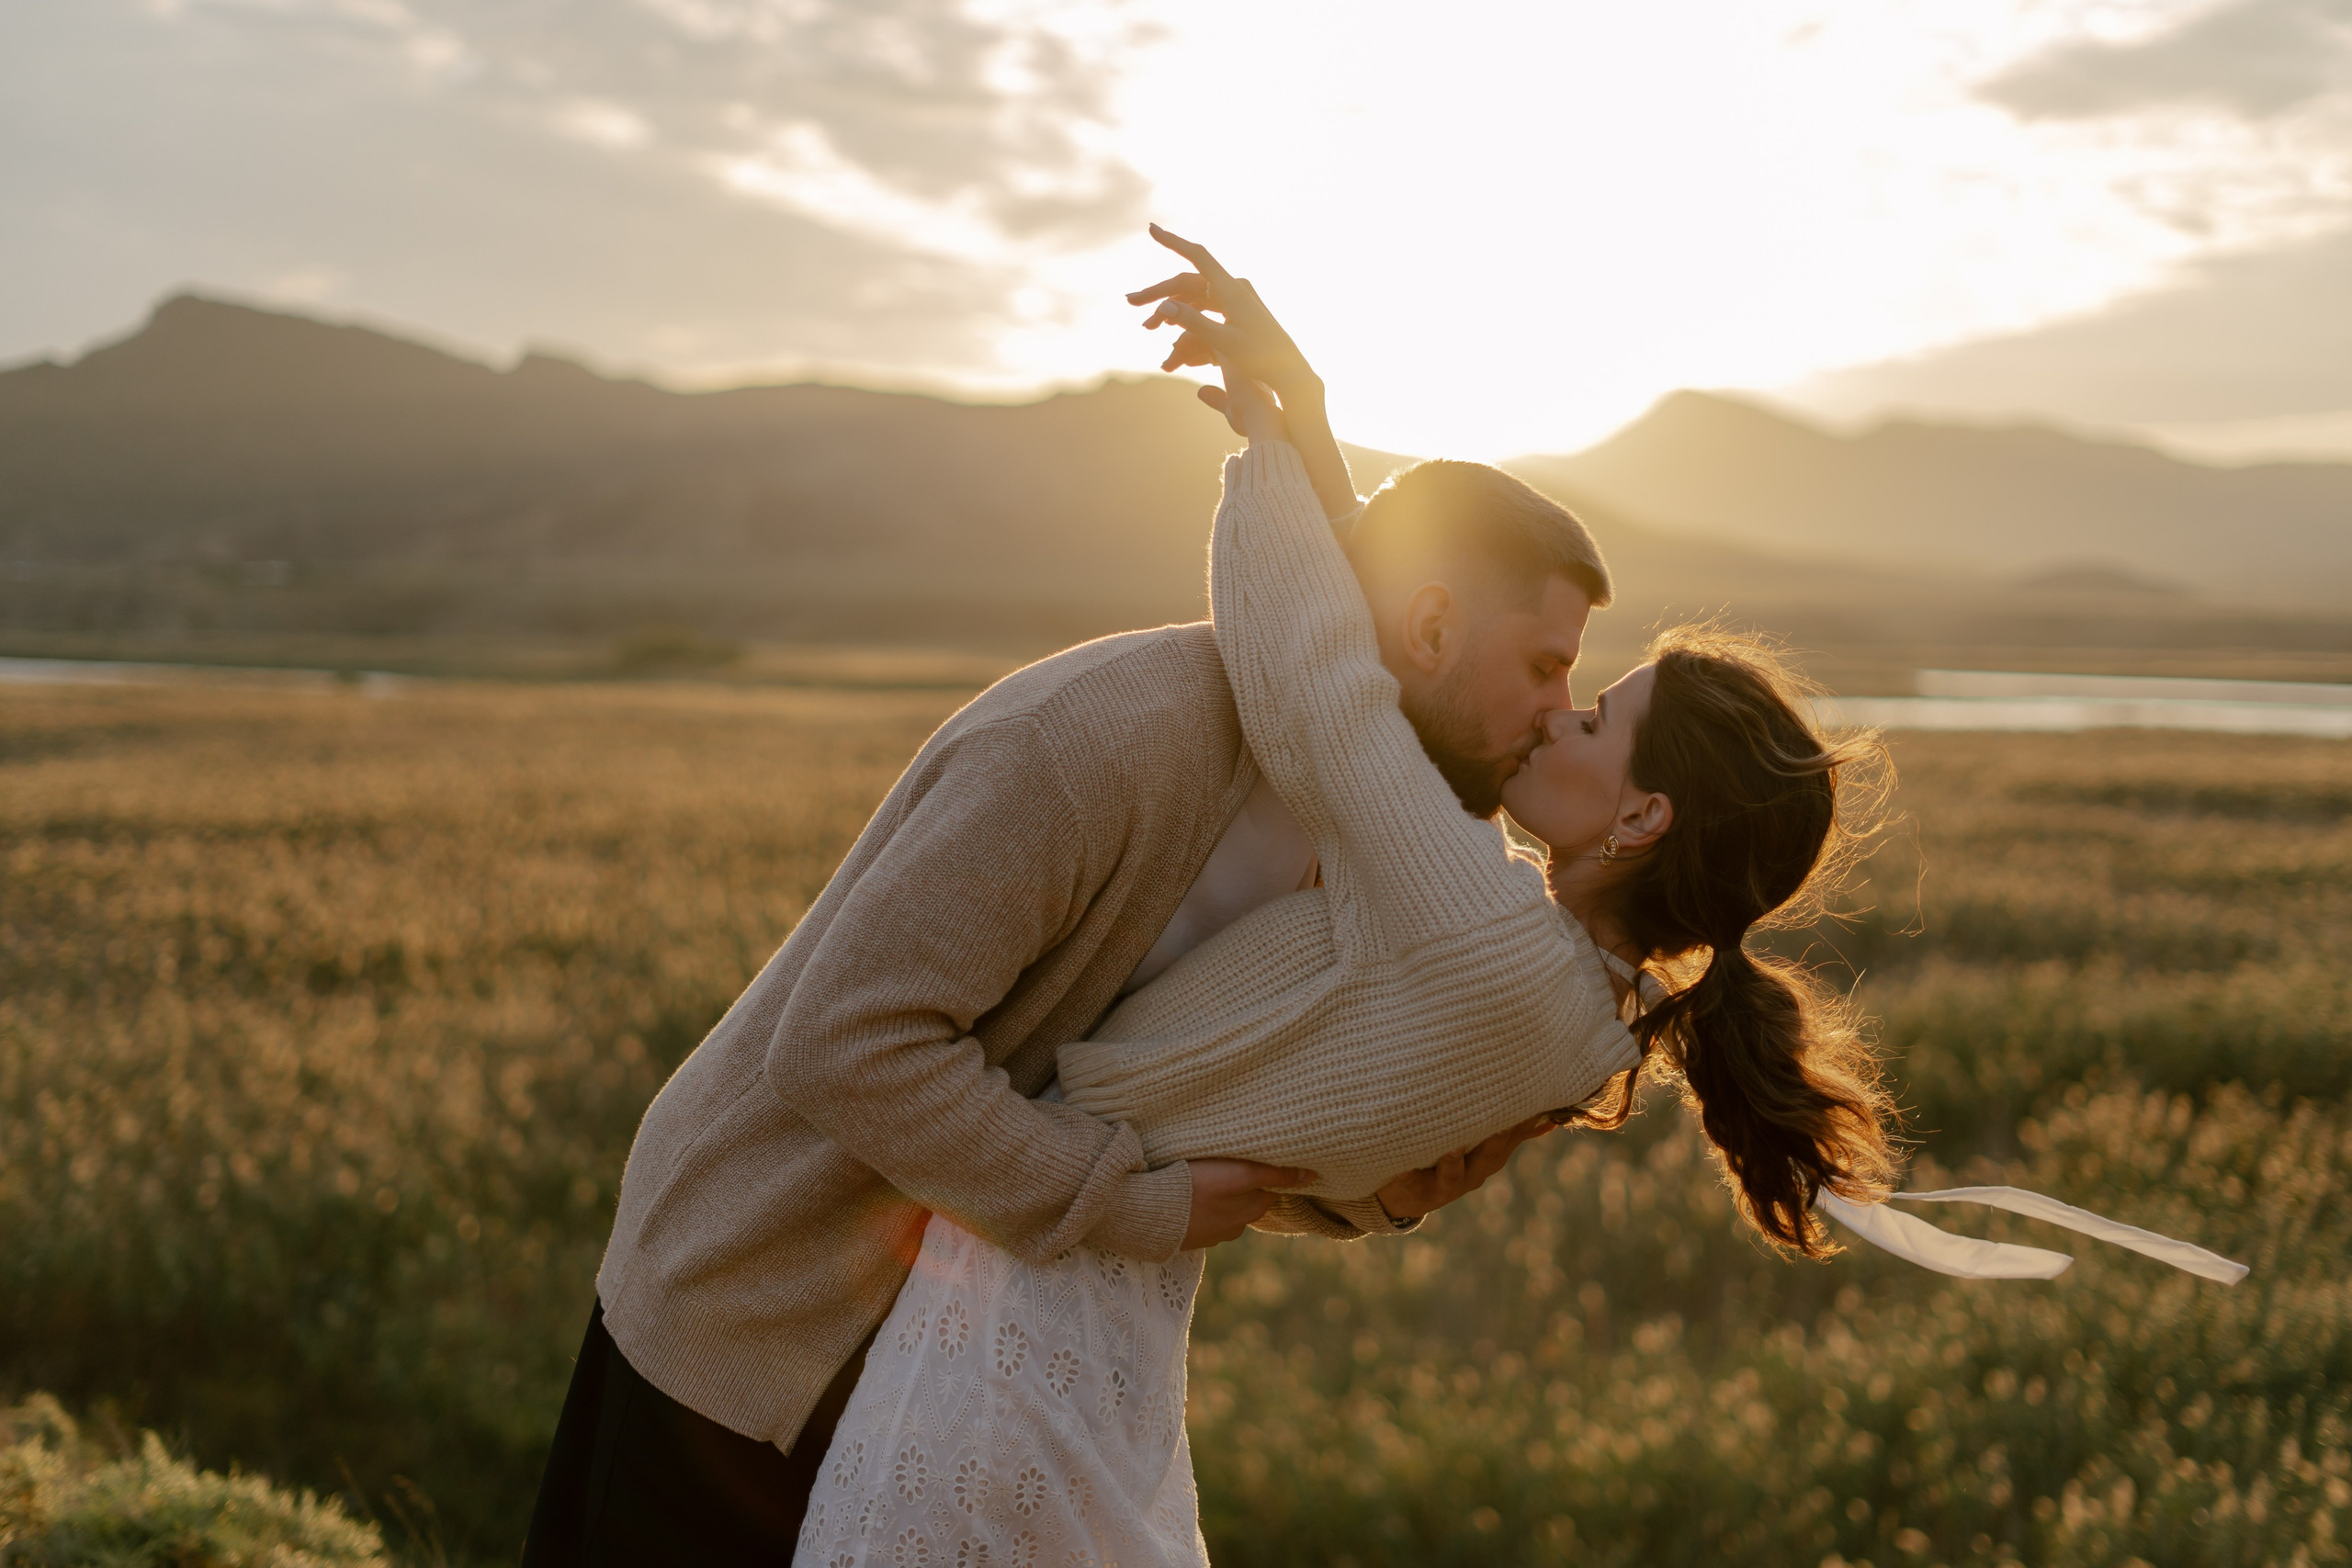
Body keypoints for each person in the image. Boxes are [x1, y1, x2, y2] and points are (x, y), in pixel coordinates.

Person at [791, 236, 1907, 1568]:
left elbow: (1333, 698)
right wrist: (1329, 447)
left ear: (1644, 818)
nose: (1556, 714)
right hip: (1114, 1299)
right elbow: (1406, 685)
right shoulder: (1581, 1015)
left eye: (1595, 714)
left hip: (1024, 1284)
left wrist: (1273, 442)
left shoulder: (1488, 936)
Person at [521, 228, 1613, 1568]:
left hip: (945, 1368)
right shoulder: (1097, 743)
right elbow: (847, 1048)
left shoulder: (1383, 835)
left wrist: (1370, 1190)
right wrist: (1137, 1208)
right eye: (1546, 666)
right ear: (1434, 629)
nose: (1558, 713)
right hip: (751, 1321)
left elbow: (1197, 1120)